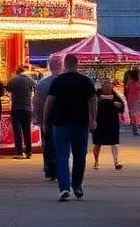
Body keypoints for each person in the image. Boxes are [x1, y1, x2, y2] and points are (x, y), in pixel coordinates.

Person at [44, 54, 97, 201]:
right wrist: (93, 118)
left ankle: (64, 188)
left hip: (60, 122)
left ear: (65, 64)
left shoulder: (57, 81)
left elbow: (49, 101)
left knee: (61, 155)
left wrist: (44, 121)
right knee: (80, 155)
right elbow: (93, 100)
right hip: (81, 122)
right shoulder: (85, 81)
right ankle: (77, 184)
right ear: (77, 64)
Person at [35, 58, 62, 180]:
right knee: (62, 144)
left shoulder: (42, 83)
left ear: (50, 66)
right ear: (61, 66)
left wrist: (39, 118)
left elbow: (38, 102)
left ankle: (50, 169)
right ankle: (60, 168)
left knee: (48, 144)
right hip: (63, 117)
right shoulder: (65, 80)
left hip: (48, 118)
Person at [92, 78, 125, 170]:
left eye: (109, 84)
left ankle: (116, 161)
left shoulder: (115, 95)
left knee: (114, 142)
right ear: (101, 85)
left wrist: (118, 105)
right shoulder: (96, 94)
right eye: (105, 84)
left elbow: (121, 105)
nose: (107, 86)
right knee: (97, 143)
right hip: (99, 120)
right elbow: (93, 104)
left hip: (112, 121)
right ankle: (96, 162)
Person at [7, 65, 37, 159]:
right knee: (27, 130)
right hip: (27, 108)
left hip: (16, 108)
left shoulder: (13, 80)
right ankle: (29, 151)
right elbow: (35, 89)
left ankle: (19, 151)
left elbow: (8, 89)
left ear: (17, 71)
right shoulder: (30, 79)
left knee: (17, 130)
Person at [124, 69, 140, 136]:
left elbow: (127, 91)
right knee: (137, 114)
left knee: (132, 114)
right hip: (138, 100)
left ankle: (135, 130)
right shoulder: (139, 82)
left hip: (130, 99)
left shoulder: (129, 82)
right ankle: (139, 129)